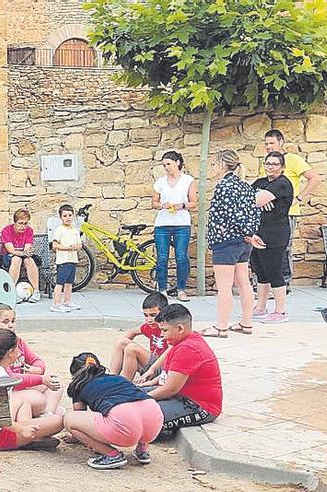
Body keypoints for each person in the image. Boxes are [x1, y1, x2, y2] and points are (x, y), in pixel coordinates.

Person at [63, 352, 164, 470]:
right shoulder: (117, 378)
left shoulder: (79, 385)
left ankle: (112, 455)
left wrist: (77, 436)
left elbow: (79, 413)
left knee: (69, 420)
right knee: (134, 411)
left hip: (125, 424)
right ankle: (142, 450)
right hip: (153, 419)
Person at [0, 329, 65, 451]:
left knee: (23, 401)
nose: (19, 352)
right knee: (58, 421)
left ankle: (29, 436)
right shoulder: (1, 377)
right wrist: (21, 429)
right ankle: (26, 437)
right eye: (17, 349)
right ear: (10, 352)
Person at [202, 149, 260, 338]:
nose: (212, 168)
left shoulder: (223, 187)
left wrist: (241, 231)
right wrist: (250, 234)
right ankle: (246, 323)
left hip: (226, 242)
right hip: (243, 242)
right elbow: (254, 212)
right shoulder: (245, 186)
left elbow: (231, 214)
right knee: (244, 282)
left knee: (224, 286)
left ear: (221, 165)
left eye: (213, 164)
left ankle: (221, 326)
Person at [146, 304, 222, 439]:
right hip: (181, 396)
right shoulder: (184, 341)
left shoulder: (188, 348)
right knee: (129, 397)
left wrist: (141, 399)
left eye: (164, 331)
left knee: (139, 414)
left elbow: (170, 389)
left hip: (199, 406)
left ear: (180, 328)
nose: (162, 336)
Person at [0, 304, 64, 415]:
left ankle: (48, 413)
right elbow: (9, 379)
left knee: (56, 385)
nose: (11, 325)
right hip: (3, 392)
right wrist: (40, 379)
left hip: (19, 386)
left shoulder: (16, 341)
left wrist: (37, 370)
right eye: (5, 322)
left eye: (13, 321)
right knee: (39, 399)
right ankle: (46, 414)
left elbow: (36, 360)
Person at [261, 129, 323, 286]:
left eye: (272, 143)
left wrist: (300, 197)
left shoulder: (293, 160)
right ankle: (266, 282)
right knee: (265, 246)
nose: (268, 146)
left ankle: (284, 283)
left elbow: (315, 178)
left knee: (283, 248)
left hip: (287, 212)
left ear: (281, 142)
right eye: (266, 143)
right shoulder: (267, 162)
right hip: (267, 214)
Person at [251, 152, 295, 324]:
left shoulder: (283, 184)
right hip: (258, 233)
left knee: (274, 271)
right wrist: (260, 196)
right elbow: (246, 198)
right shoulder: (261, 182)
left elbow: (256, 200)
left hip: (276, 234)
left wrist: (260, 197)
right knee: (261, 271)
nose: (271, 167)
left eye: (275, 164)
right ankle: (260, 308)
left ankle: (280, 311)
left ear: (282, 167)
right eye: (268, 163)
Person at [152, 151, 197, 301]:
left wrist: (182, 205)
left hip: (181, 224)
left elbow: (194, 202)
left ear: (177, 163)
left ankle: (181, 290)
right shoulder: (160, 182)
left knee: (181, 256)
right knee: (162, 257)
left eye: (169, 164)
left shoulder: (188, 181)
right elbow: (154, 203)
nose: (166, 168)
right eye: (164, 165)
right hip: (162, 224)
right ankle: (162, 290)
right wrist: (161, 205)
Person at [109, 292, 169, 381]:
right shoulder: (151, 326)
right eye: (146, 315)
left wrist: (152, 369)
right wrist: (125, 356)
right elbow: (132, 331)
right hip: (152, 363)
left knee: (131, 349)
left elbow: (171, 351)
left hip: (163, 367)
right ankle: (111, 377)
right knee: (122, 342)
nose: (149, 320)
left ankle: (122, 384)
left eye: (153, 315)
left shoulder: (169, 327)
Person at [0, 209, 41, 301]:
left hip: (23, 255)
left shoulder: (29, 230)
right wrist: (24, 253)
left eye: (25, 224)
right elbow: (11, 250)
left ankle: (36, 291)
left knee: (29, 260)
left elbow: (27, 248)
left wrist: (28, 252)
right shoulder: (6, 230)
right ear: (14, 222)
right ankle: (12, 291)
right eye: (20, 223)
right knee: (16, 259)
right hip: (8, 256)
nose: (23, 226)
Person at [50, 204, 83, 313]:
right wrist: (66, 248)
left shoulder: (75, 230)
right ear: (61, 217)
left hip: (73, 259)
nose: (68, 218)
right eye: (65, 216)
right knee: (60, 282)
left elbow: (80, 245)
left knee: (69, 282)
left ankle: (67, 301)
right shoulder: (59, 230)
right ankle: (56, 303)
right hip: (63, 260)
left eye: (70, 215)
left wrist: (75, 247)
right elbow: (55, 245)